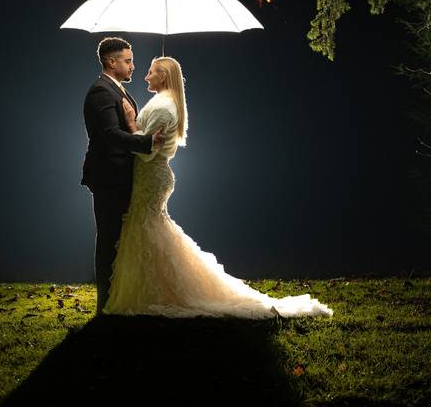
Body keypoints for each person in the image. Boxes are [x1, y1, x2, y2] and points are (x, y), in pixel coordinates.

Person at [104, 56, 333, 318]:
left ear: (164, 77)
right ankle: (154, 287)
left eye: (151, 72)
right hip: (152, 177)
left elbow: (145, 152)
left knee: (149, 228)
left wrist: (131, 122)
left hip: (150, 177)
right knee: (151, 229)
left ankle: (158, 292)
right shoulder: (164, 103)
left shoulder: (164, 107)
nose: (145, 77)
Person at [82, 37, 168, 314]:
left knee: (120, 238)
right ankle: (105, 304)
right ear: (112, 61)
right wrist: (146, 142)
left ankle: (120, 299)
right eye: (128, 61)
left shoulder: (115, 89)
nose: (133, 66)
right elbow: (109, 135)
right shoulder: (101, 92)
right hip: (108, 178)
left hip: (121, 176)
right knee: (109, 239)